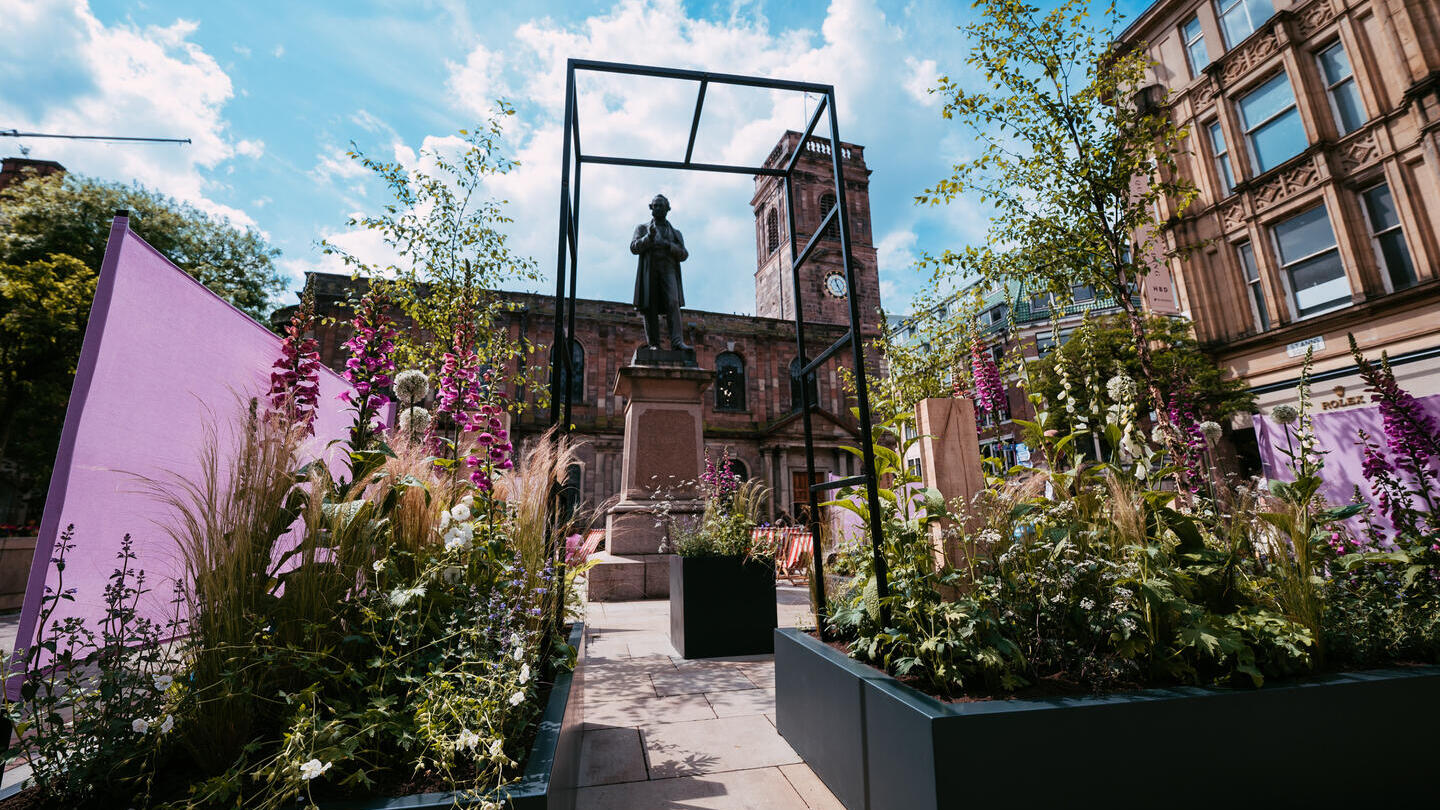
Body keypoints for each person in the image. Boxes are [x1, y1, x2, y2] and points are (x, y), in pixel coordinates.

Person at [630, 194, 690, 351]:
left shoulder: (676, 233)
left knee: (673, 302)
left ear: (667, 209)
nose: (656, 208)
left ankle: (677, 342)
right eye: (654, 206)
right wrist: (648, 238)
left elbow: (684, 254)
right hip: (649, 271)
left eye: (659, 206)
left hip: (668, 269)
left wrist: (668, 245)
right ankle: (654, 344)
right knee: (650, 305)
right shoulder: (642, 228)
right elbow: (634, 247)